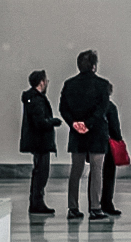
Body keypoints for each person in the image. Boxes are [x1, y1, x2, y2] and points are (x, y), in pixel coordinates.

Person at [59, 50, 113, 221]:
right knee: (97, 170)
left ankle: (73, 207)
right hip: (96, 133)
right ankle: (95, 208)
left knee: (76, 170)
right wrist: (88, 124)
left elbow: (63, 108)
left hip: (76, 133)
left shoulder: (69, 84)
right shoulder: (102, 85)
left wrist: (75, 123)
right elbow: (102, 109)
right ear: (94, 66)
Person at [19, 70, 62, 214]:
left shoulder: (30, 98)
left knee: (38, 171)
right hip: (41, 142)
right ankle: (37, 202)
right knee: (41, 173)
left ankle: (36, 202)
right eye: (46, 81)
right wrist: (53, 122)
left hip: (36, 141)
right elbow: (40, 122)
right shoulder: (37, 99)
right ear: (41, 82)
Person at [99, 99, 124, 217]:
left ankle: (94, 203)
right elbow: (115, 127)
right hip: (109, 144)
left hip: (95, 144)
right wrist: (118, 138)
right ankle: (106, 202)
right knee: (108, 174)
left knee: (96, 173)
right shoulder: (110, 106)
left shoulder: (93, 104)